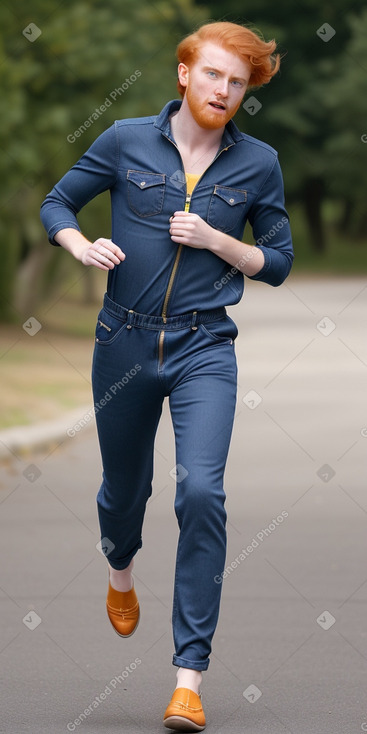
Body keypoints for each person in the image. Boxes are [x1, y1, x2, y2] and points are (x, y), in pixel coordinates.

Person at [40, 20, 293, 732]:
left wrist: (219, 241)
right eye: (213, 74)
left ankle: (188, 677)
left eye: (237, 82)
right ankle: (119, 567)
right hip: (122, 343)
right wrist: (79, 243)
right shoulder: (124, 140)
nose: (223, 90)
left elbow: (277, 260)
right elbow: (55, 202)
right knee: (125, 491)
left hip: (204, 346)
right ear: (184, 75)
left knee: (201, 491)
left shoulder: (258, 164)